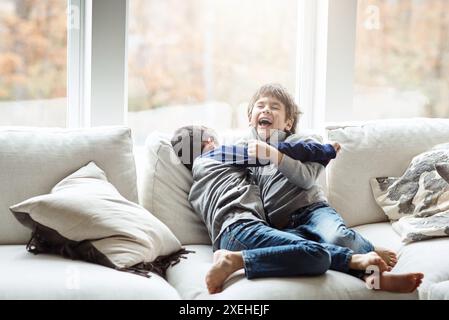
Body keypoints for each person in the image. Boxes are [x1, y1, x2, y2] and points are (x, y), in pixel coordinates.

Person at [221, 82, 422, 294]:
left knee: (338, 238)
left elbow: (306, 179)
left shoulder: (305, 144)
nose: (266, 110)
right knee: (309, 252)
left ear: (288, 123)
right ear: (250, 118)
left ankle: (376, 273)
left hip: (313, 211)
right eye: (260, 106)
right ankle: (365, 251)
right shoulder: (245, 152)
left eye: (274, 106)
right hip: (280, 225)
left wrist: (273, 154)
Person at [171, 125, 401, 294]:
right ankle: (235, 261)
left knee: (307, 239)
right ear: (208, 141)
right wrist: (325, 151)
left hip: (227, 238)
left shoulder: (197, 186)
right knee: (317, 255)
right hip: (242, 229)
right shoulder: (216, 155)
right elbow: (271, 152)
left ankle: (369, 271)